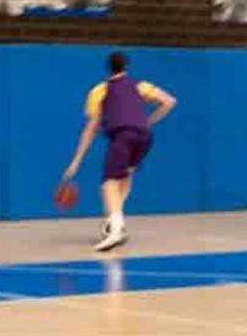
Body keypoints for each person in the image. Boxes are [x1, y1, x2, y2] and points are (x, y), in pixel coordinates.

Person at [62, 51, 176, 251]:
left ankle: (115, 229)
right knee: (125, 176)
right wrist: (149, 121)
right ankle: (115, 220)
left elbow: (91, 129)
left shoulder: (100, 91)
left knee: (108, 183)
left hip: (123, 136)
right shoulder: (140, 86)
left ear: (108, 69)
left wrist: (76, 161)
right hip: (144, 137)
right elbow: (169, 101)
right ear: (126, 67)